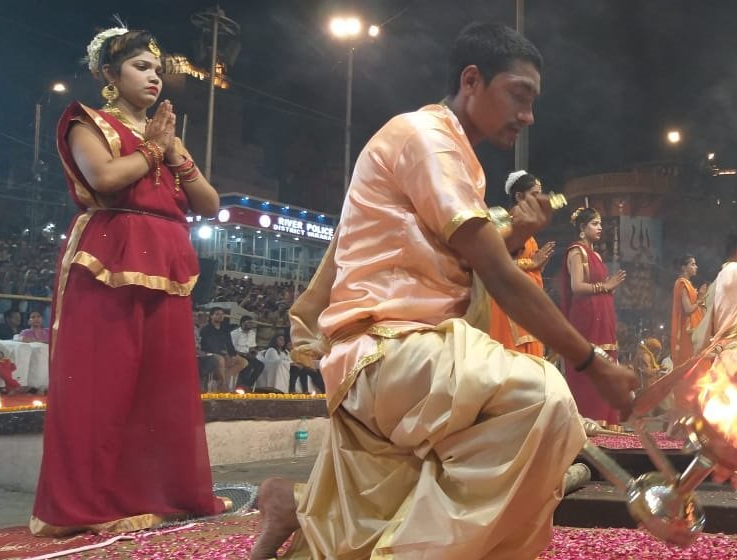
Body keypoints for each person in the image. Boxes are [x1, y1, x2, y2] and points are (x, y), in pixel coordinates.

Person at [251, 22, 639, 560]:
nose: (528, 115)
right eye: (519, 96)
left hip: (402, 350)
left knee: (393, 500)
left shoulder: (453, 152)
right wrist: (590, 361)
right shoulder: (427, 138)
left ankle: (294, 504)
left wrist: (516, 236)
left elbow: (449, 260)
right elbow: (498, 274)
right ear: (472, 80)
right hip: (388, 349)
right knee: (542, 400)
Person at [31, 26, 225, 536]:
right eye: (141, 66)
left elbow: (209, 204)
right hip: (107, 256)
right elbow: (104, 180)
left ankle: (160, 494)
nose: (154, 77)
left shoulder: (167, 137)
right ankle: (85, 505)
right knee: (100, 384)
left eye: (158, 70)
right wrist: (153, 151)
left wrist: (174, 153)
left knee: (162, 388)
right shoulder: (87, 122)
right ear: (109, 76)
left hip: (168, 261)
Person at [560, 207, 627, 424]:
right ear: (582, 228)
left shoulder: (595, 254)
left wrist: (610, 288)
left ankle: (607, 421)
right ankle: (591, 420)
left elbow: (602, 286)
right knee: (591, 366)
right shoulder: (576, 252)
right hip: (586, 318)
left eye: (600, 224)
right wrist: (604, 286)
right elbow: (577, 286)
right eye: (594, 224)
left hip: (603, 315)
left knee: (606, 366)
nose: (600, 228)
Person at [487, 170, 554, 357]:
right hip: (510, 303)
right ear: (518, 196)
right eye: (534, 194)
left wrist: (539, 264)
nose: (539, 200)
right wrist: (531, 263)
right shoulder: (503, 223)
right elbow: (494, 263)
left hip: (529, 301)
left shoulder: (529, 232)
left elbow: (529, 266)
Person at [200, 307, 248, 391]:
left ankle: (223, 381)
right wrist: (225, 354)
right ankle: (223, 384)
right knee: (221, 359)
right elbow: (210, 346)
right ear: (211, 316)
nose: (220, 316)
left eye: (222, 314)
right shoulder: (206, 329)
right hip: (210, 352)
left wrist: (232, 355)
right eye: (217, 314)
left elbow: (229, 343)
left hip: (224, 352)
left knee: (243, 362)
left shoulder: (225, 329)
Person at [670, 254, 703, 366]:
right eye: (693, 264)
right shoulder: (683, 283)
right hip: (687, 331)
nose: (696, 267)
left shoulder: (687, 284)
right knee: (690, 363)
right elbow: (688, 309)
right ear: (684, 268)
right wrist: (699, 300)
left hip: (692, 329)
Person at [231, 315, 264, 390]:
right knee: (248, 366)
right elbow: (231, 348)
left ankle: (248, 385)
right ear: (242, 323)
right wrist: (243, 354)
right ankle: (239, 387)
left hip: (248, 355)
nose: (251, 325)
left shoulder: (252, 333)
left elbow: (251, 347)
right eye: (248, 323)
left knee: (260, 365)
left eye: (251, 323)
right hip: (238, 355)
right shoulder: (234, 333)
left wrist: (253, 352)